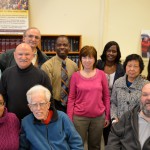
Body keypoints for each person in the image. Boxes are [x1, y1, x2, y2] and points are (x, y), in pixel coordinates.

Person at [67, 46, 110, 150]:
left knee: (95, 146)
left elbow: (106, 96)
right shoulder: (75, 76)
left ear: (95, 59)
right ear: (80, 59)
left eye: (90, 57)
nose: (87, 60)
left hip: (98, 117)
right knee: (78, 145)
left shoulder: (101, 75)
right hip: (79, 117)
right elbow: (71, 98)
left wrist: (107, 115)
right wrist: (69, 117)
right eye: (84, 57)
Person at [19, 85, 83, 150]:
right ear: (30, 107)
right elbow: (23, 148)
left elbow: (76, 143)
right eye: (34, 104)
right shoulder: (26, 123)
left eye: (42, 104)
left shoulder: (63, 118)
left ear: (48, 105)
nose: (38, 108)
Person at [0, 43, 52, 121]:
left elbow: (50, 100)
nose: (23, 57)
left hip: (35, 123)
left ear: (32, 56)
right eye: (20, 54)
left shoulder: (42, 75)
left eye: (27, 54)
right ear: (14, 55)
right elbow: (2, 99)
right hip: (11, 122)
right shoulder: (7, 74)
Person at [105, 82, 150, 150]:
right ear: (140, 97)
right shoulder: (128, 116)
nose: (149, 98)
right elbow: (114, 136)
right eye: (145, 94)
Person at [96, 41, 125, 145]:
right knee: (96, 133)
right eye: (109, 50)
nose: (111, 53)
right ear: (105, 51)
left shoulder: (121, 68)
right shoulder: (98, 64)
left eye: (114, 51)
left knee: (110, 132)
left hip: (113, 102)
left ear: (117, 53)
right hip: (98, 101)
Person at [41, 35, 78, 112]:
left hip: (71, 104)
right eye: (59, 45)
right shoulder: (47, 66)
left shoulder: (74, 66)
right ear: (55, 47)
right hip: (54, 104)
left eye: (65, 45)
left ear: (69, 47)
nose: (62, 47)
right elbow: (44, 90)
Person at [111, 54, 149, 123]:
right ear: (125, 67)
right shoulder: (118, 82)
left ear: (140, 68)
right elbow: (113, 103)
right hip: (119, 123)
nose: (132, 69)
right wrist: (114, 118)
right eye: (129, 66)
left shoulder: (146, 85)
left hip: (139, 124)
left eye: (135, 66)